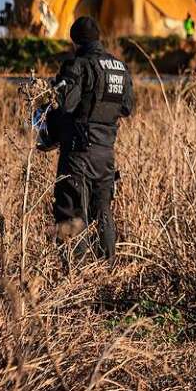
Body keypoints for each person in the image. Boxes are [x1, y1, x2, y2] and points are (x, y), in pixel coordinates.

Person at [53, 16, 134, 263]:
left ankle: (76, 278)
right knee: (103, 214)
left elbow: (66, 105)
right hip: (106, 153)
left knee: (72, 214)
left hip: (79, 152)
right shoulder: (119, 67)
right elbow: (127, 107)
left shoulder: (77, 65)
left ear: (75, 41)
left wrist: (59, 86)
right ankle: (107, 271)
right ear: (98, 38)